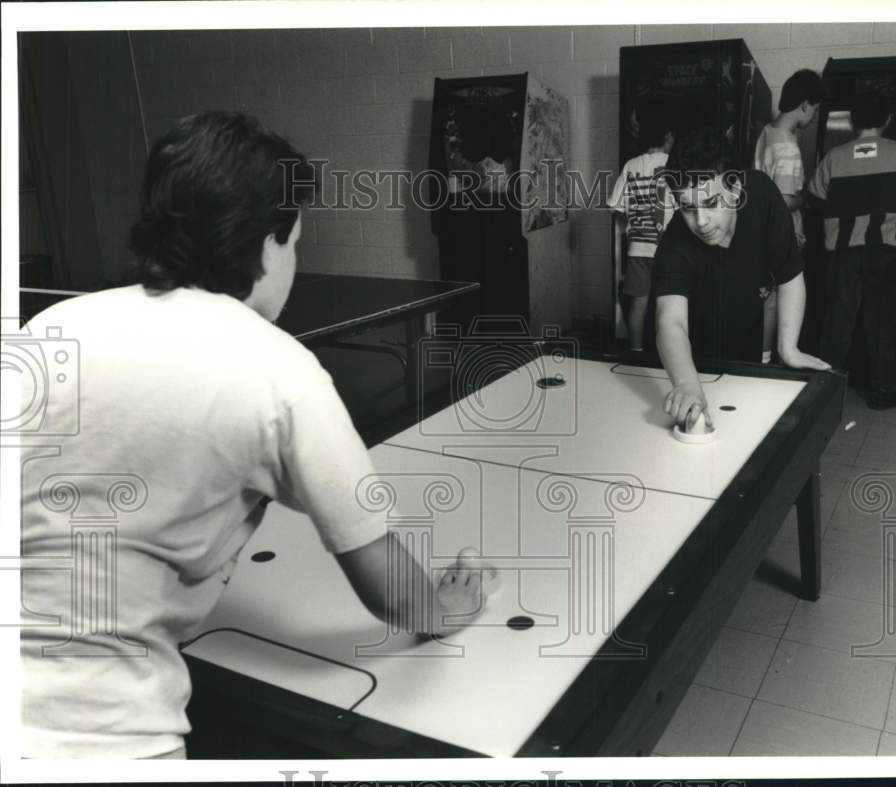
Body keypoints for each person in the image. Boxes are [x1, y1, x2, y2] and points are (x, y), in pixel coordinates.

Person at [19, 111, 495, 759]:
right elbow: (396, 594)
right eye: (296, 242)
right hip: (105, 738)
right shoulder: (280, 372)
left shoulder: (50, 326)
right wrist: (449, 607)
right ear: (271, 241)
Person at [650, 129, 830, 430]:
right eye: (687, 208)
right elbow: (670, 321)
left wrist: (788, 348)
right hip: (685, 356)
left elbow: (790, 274)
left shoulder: (762, 195)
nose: (701, 222)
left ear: (734, 189)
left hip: (742, 346)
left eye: (710, 203)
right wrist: (687, 384)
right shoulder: (675, 242)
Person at [807, 90, 896, 410]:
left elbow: (816, 200)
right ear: (887, 120)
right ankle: (884, 392)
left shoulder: (832, 158)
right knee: (883, 324)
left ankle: (822, 392)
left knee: (837, 323)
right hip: (886, 252)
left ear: (851, 121)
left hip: (843, 254)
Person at [753, 69, 825, 363]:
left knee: (766, 295)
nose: (815, 117)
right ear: (805, 104)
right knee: (775, 298)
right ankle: (767, 359)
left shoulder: (766, 133)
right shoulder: (787, 147)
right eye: (816, 110)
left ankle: (764, 355)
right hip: (780, 233)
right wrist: (805, 196)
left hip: (761, 227)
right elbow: (782, 201)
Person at [608, 111, 676, 352]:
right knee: (667, 306)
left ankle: (635, 353)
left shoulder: (630, 165)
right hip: (668, 247)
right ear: (668, 137)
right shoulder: (673, 164)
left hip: (638, 247)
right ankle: (665, 355)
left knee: (637, 304)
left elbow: (615, 207)